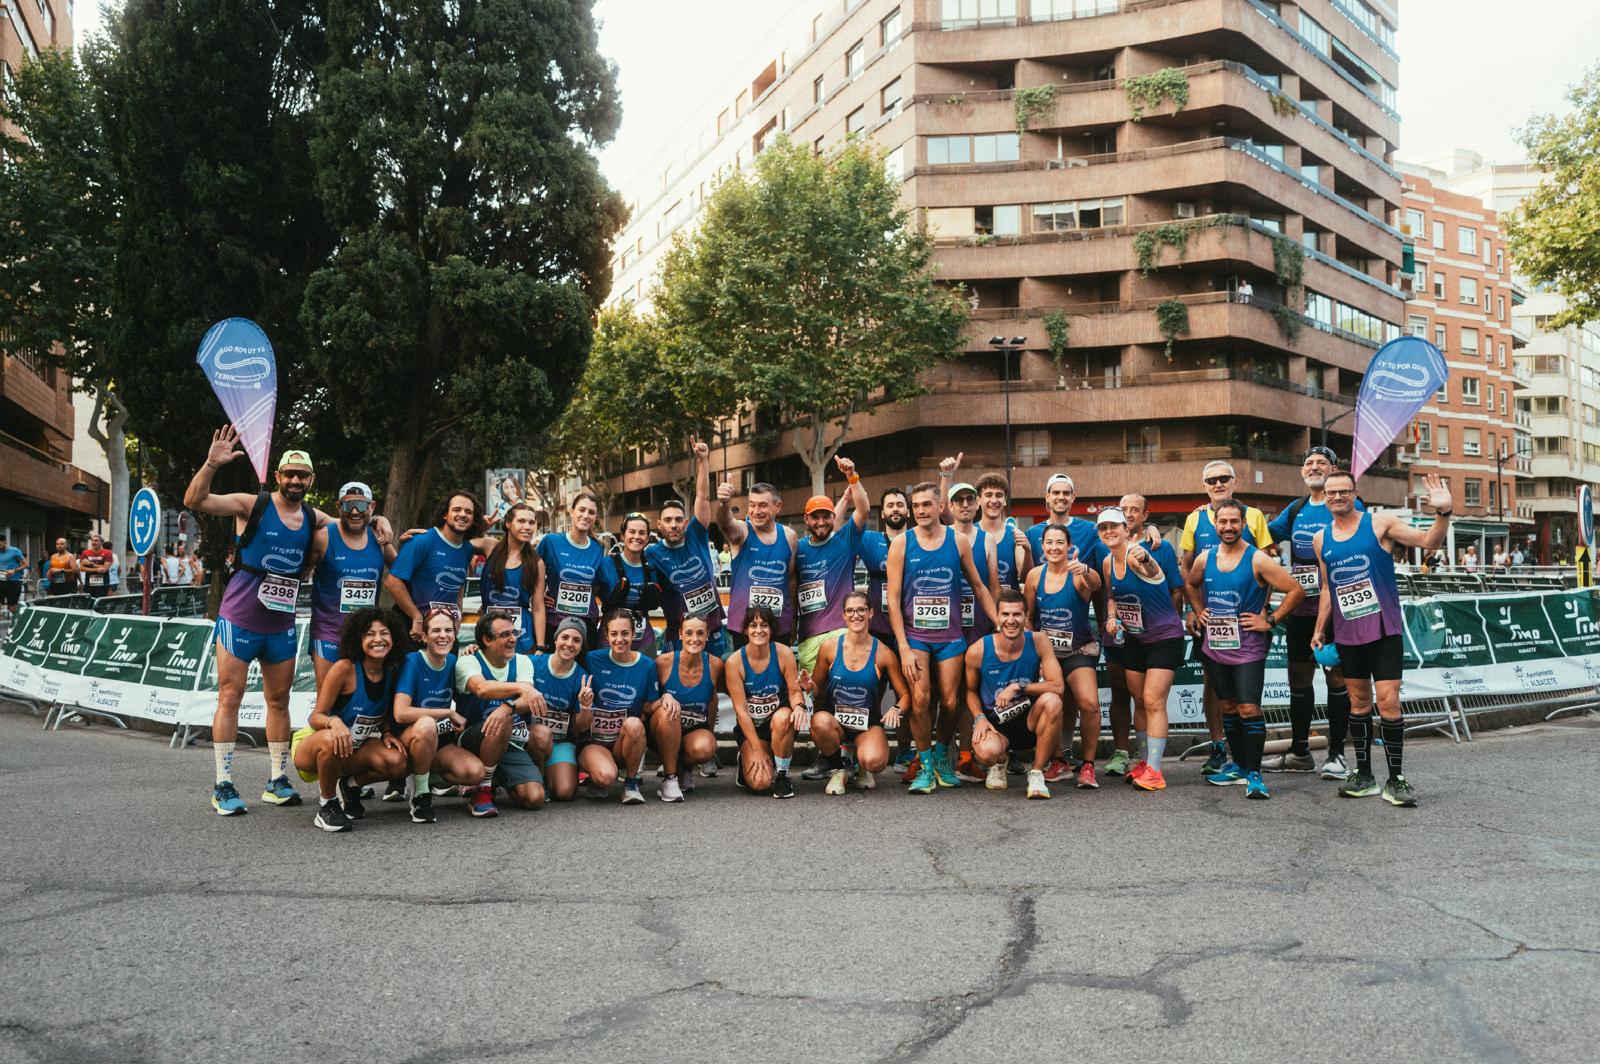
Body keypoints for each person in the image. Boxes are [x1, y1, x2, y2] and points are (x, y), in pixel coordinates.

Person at [184, 429, 374, 815]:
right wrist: (211, 463)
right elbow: (195, 500)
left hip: (280, 624)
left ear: (311, 481)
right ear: (278, 476)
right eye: (289, 473)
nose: (295, 480)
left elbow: (354, 518)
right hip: (239, 619)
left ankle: (276, 779)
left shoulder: (312, 517)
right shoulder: (251, 504)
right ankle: (223, 784)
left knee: (278, 700)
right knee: (230, 697)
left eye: (302, 475)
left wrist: (382, 523)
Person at [1313, 471, 1453, 808]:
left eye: (1343, 491)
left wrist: (1443, 514)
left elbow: (1428, 543)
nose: (1336, 497)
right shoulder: (1321, 539)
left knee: (1388, 701)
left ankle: (1396, 778)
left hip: (1384, 629)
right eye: (1331, 493)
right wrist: (1319, 628)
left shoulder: (1379, 523)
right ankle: (1364, 775)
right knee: (1358, 703)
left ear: (1354, 493)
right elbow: (1328, 588)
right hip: (1348, 634)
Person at [1184, 499, 1305, 799]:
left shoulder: (1258, 559)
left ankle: (1254, 773)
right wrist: (1198, 609)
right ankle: (1238, 765)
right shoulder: (1204, 558)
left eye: (1234, 522)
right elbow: (1191, 584)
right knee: (1227, 707)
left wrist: (1271, 619)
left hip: (1249, 647)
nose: (1228, 527)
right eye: (1222, 522)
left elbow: (1296, 590)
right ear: (1215, 525)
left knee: (1248, 707)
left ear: (1244, 525)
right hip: (1215, 646)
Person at [886, 480, 998, 793]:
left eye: (926, 505)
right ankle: (924, 767)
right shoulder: (902, 544)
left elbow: (979, 587)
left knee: (950, 703)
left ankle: (941, 756)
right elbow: (893, 600)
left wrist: (999, 622)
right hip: (916, 638)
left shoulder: (958, 540)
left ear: (940, 507)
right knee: (920, 700)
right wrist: (904, 648)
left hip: (951, 636)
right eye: (916, 505)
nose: (920, 510)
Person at [1264, 446, 1359, 778]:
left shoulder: (1345, 504)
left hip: (1337, 611)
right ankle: (1300, 752)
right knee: (1298, 679)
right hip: (1301, 610)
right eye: (1308, 463)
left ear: (1333, 469)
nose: (1314, 467)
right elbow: (1258, 535)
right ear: (1302, 472)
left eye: (1321, 463)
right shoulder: (1297, 508)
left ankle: (1337, 755)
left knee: (1336, 677)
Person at [1179, 460, 1274, 775]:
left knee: (1245, 695)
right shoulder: (1194, 519)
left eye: (1224, 478)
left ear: (1234, 481)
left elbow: (1269, 564)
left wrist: (1265, 609)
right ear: (1204, 484)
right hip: (1211, 619)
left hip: (1244, 619)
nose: (1218, 484)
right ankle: (1219, 746)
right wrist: (1194, 610)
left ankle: (1247, 762)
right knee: (1214, 685)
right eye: (1211, 480)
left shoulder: (1255, 516)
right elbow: (1187, 568)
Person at [290, 608, 409, 832]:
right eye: (369, 634)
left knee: (398, 761)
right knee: (331, 739)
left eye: (384, 633)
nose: (378, 639)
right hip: (315, 746)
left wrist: (387, 733)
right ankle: (327, 805)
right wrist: (334, 723)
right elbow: (316, 716)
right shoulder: (344, 669)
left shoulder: (392, 671)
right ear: (359, 639)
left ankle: (350, 785)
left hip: (353, 749)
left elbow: (381, 711)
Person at [1100, 507, 1184, 791]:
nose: (1109, 532)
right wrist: (1112, 617)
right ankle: (1145, 762)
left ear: (1126, 529)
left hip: (1163, 637)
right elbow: (1112, 596)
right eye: (1103, 528)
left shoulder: (1137, 555)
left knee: (1153, 700)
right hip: (1135, 639)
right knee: (1138, 700)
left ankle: (1156, 771)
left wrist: (1147, 558)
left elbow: (1153, 571)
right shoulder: (1108, 562)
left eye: (1115, 526)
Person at [1022, 523, 1104, 790]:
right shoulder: (1035, 575)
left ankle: (1089, 765)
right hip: (1049, 654)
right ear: (1042, 546)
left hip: (1078, 649)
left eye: (1060, 542)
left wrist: (1087, 570)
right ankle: (1058, 761)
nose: (1054, 547)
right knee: (1052, 703)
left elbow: (1096, 584)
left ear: (1070, 546)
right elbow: (1028, 618)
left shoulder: (1077, 573)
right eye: (1049, 542)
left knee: (1089, 703)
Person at [965, 589, 1067, 800]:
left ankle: (1036, 773)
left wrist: (1018, 687)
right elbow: (970, 691)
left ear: (1026, 617)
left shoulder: (1039, 641)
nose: (1011, 620)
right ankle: (1000, 762)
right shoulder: (978, 650)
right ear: (997, 617)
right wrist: (979, 717)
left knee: (1053, 701)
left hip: (1029, 720)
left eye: (1017, 614)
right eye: (1005, 614)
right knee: (986, 753)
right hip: (996, 725)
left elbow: (1057, 686)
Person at [808, 590, 911, 794]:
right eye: (850, 611)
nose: (856, 615)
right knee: (819, 722)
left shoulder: (884, 653)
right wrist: (809, 686)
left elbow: (906, 695)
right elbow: (818, 691)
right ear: (844, 615)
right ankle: (839, 768)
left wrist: (896, 709)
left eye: (861, 610)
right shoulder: (829, 648)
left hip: (866, 723)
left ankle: (863, 766)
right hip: (835, 722)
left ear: (871, 613)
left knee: (875, 761)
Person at [390, 607, 487, 823]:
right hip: (410, 737)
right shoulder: (413, 660)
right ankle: (421, 794)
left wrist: (474, 654)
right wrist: (447, 712)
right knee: (426, 725)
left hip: (438, 740)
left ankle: (427, 773)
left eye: (448, 630)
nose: (443, 635)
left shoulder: (453, 662)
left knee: (475, 773)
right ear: (424, 636)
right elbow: (400, 712)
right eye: (436, 631)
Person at [454, 611, 549, 817]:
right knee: (502, 720)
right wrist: (521, 690)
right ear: (486, 640)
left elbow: (528, 699)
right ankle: (483, 790)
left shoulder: (522, 661)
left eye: (513, 632)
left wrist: (509, 706)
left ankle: (500, 777)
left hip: (510, 739)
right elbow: (481, 688)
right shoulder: (468, 661)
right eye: (505, 635)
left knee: (534, 798)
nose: (513, 638)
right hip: (473, 740)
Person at [305, 482, 398, 684]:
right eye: (348, 506)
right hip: (328, 634)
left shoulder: (379, 538)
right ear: (339, 507)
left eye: (361, 505)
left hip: (366, 636)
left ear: (372, 506)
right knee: (327, 700)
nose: (355, 511)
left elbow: (401, 572)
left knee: (361, 699)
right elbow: (298, 574)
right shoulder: (322, 537)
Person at [645, 437, 729, 657]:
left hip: (712, 628)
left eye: (678, 519)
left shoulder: (696, 535)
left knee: (713, 684)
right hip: (679, 633)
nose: (674, 524)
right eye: (668, 520)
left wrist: (703, 461)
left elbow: (703, 496)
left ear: (685, 521)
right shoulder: (652, 554)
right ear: (659, 525)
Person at [795, 454, 868, 672]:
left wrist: (851, 476)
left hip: (841, 633)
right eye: (814, 517)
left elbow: (863, 510)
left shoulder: (844, 541)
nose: (820, 522)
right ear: (806, 519)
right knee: (814, 699)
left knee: (843, 696)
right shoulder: (797, 548)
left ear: (833, 517)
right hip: (808, 637)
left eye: (826, 517)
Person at [725, 604, 807, 797]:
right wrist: (756, 749)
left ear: (772, 629)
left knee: (784, 717)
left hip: (779, 723)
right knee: (760, 784)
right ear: (746, 630)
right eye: (753, 625)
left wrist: (800, 707)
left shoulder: (784, 653)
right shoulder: (734, 662)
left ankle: (783, 776)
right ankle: (747, 757)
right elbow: (742, 711)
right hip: (752, 728)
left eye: (764, 625)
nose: (759, 630)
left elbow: (795, 691)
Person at [386, 490, 487, 644]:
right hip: (413, 629)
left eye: (468, 511)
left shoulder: (466, 549)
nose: (463, 514)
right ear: (445, 514)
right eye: (456, 509)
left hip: (445, 631)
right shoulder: (421, 541)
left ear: (473, 519)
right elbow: (392, 582)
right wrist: (417, 617)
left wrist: (458, 615)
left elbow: (458, 587)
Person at [580, 608, 658, 803]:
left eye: (625, 633)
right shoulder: (592, 659)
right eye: (613, 634)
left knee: (634, 724)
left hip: (624, 741)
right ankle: (597, 777)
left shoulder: (647, 665)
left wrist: (667, 700)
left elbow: (649, 705)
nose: (619, 639)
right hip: (594, 741)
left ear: (634, 634)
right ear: (606, 636)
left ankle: (631, 783)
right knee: (605, 778)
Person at [717, 478, 798, 647]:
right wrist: (725, 504)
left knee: (779, 671)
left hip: (779, 625)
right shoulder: (743, 530)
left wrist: (793, 618)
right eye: (752, 505)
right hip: (746, 626)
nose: (756, 511)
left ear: (778, 506)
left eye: (762, 505)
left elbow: (791, 579)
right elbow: (726, 524)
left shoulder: (789, 536)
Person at [652, 614, 724, 801]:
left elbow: (714, 697)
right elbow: (646, 704)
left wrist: (710, 731)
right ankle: (670, 778)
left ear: (708, 635)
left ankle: (683, 767)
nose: (695, 638)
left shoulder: (715, 665)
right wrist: (665, 698)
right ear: (680, 634)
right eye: (689, 632)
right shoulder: (663, 663)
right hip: (660, 731)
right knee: (670, 710)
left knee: (706, 746)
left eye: (700, 633)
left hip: (692, 731)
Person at [529, 617, 594, 802]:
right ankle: (537, 778)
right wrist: (476, 650)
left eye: (576, 640)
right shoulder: (533, 663)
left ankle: (550, 774)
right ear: (556, 639)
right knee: (541, 734)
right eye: (565, 637)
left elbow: (582, 727)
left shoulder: (582, 677)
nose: (569, 644)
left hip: (561, 742)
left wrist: (585, 706)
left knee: (564, 792)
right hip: (531, 737)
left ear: (581, 646)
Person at [537, 490, 614, 645]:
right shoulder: (551, 541)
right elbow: (528, 571)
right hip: (555, 624)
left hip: (586, 625)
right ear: (571, 511)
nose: (586, 515)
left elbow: (598, 585)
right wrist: (537, 596)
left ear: (595, 518)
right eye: (582, 510)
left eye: (591, 512)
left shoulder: (598, 547)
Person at [479, 501, 547, 656]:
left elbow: (537, 607)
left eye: (531, 522)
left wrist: (541, 646)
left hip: (522, 636)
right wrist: (483, 528)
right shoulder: (491, 547)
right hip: (489, 631)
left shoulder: (536, 563)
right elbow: (458, 544)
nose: (527, 527)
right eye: (521, 521)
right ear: (508, 523)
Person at [606, 512, 662, 659]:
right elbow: (588, 588)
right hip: (612, 638)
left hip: (644, 638)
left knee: (645, 677)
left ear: (648, 538)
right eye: (632, 531)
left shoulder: (652, 567)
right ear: (622, 536)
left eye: (642, 533)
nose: (637, 536)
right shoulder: (607, 564)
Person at [78, 534, 113, 599]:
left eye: (96, 541)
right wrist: (96, 570)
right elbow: (81, 568)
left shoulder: (107, 553)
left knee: (101, 602)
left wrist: (90, 564)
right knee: (89, 602)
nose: (94, 542)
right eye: (92, 540)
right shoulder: (85, 553)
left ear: (101, 542)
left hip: (103, 583)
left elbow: (105, 568)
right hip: (89, 583)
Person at [0, 535, 27, 618]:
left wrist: (14, 570)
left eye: (0, 544)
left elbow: (25, 564)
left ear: (5, 542)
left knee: (12, 607)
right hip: (1, 580)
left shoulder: (15, 551)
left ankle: (23, 619)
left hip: (12, 582)